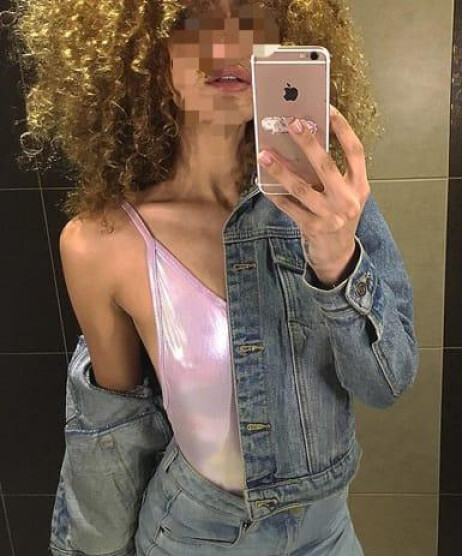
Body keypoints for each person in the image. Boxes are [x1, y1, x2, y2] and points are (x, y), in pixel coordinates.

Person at [14, 0, 418, 554]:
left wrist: (337, 262)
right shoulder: (100, 243)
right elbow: (115, 438)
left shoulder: (331, 204)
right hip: (195, 535)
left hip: (328, 532)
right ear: (144, 53)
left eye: (251, 17)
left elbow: (386, 384)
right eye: (192, 20)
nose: (227, 43)